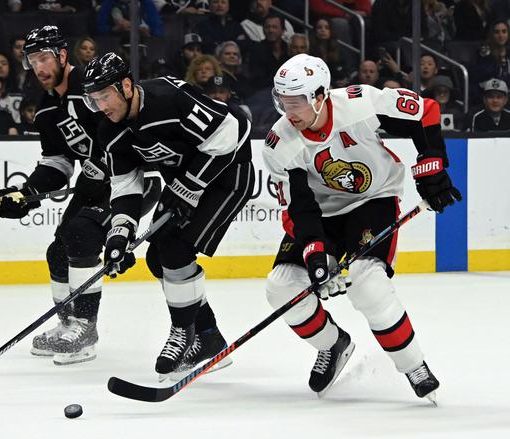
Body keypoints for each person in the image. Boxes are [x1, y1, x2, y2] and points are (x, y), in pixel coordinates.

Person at [262, 54, 461, 402]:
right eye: (282, 102)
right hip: (320, 214)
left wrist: (431, 167)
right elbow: (299, 209)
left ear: (320, 96)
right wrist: (316, 253)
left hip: (371, 201)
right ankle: (332, 345)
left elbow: (425, 111)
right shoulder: (280, 144)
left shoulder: (361, 103)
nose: (288, 112)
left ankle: (413, 364)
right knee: (281, 288)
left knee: (367, 283)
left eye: (296, 102)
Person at [0, 26, 161, 365]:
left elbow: (130, 125)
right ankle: (67, 322)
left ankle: (85, 329)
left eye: (43, 58)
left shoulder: (94, 88)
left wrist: (105, 163)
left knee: (80, 234)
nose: (38, 68)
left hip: (134, 181)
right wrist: (27, 193)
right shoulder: (46, 110)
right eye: (31, 60)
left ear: (62, 56)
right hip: (96, 186)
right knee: (58, 250)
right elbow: (58, 162)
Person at [83, 52, 255, 380]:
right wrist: (119, 232)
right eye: (95, 99)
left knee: (176, 249)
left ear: (126, 86)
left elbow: (232, 130)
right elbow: (126, 184)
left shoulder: (169, 97)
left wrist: (190, 186)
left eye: (105, 96)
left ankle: (183, 333)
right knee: (157, 260)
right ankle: (209, 340)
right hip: (183, 184)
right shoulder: (111, 131)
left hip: (228, 176)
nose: (102, 106)